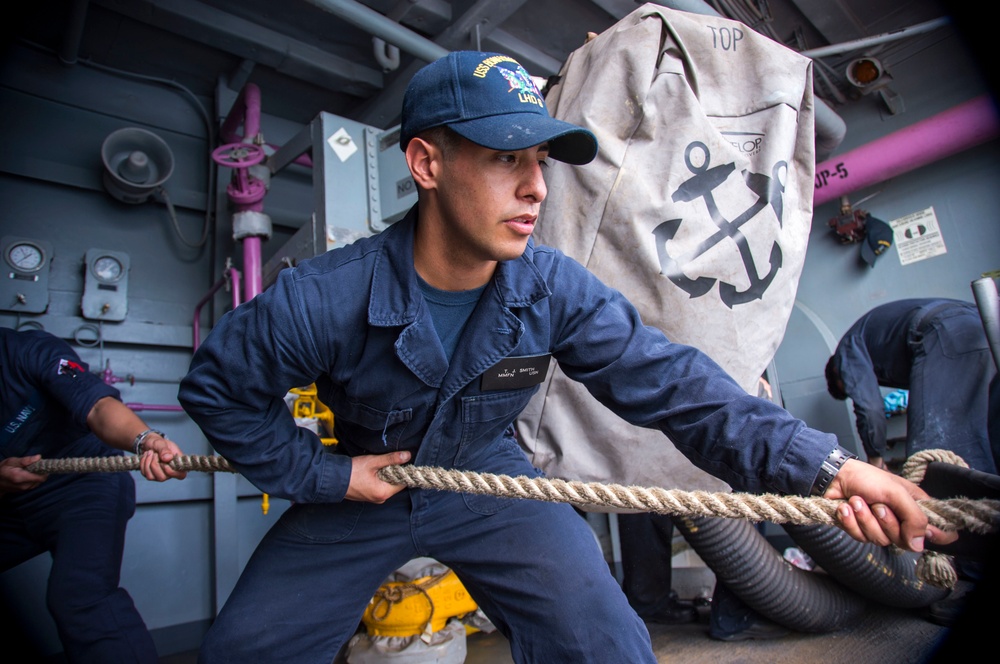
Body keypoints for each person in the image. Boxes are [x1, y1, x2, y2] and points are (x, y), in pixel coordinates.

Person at [179, 51, 956, 664]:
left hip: (488, 477)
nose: (536, 188)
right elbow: (217, 391)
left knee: (606, 645)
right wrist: (329, 474)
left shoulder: (552, 289)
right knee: (246, 650)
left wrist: (826, 467)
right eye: (503, 159)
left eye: (543, 161)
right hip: (361, 486)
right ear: (426, 164)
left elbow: (678, 388)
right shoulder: (323, 298)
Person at [0, 327, 188, 663]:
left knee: (79, 595)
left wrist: (145, 440)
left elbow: (98, 407)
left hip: (83, 482)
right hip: (7, 502)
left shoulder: (22, 350)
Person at [825, 297, 999, 474]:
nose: (852, 388)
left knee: (934, 458)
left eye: (847, 387)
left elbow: (869, 408)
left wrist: (875, 460)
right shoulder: (869, 335)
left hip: (945, 333)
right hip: (982, 324)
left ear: (837, 373)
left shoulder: (845, 352)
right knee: (990, 432)